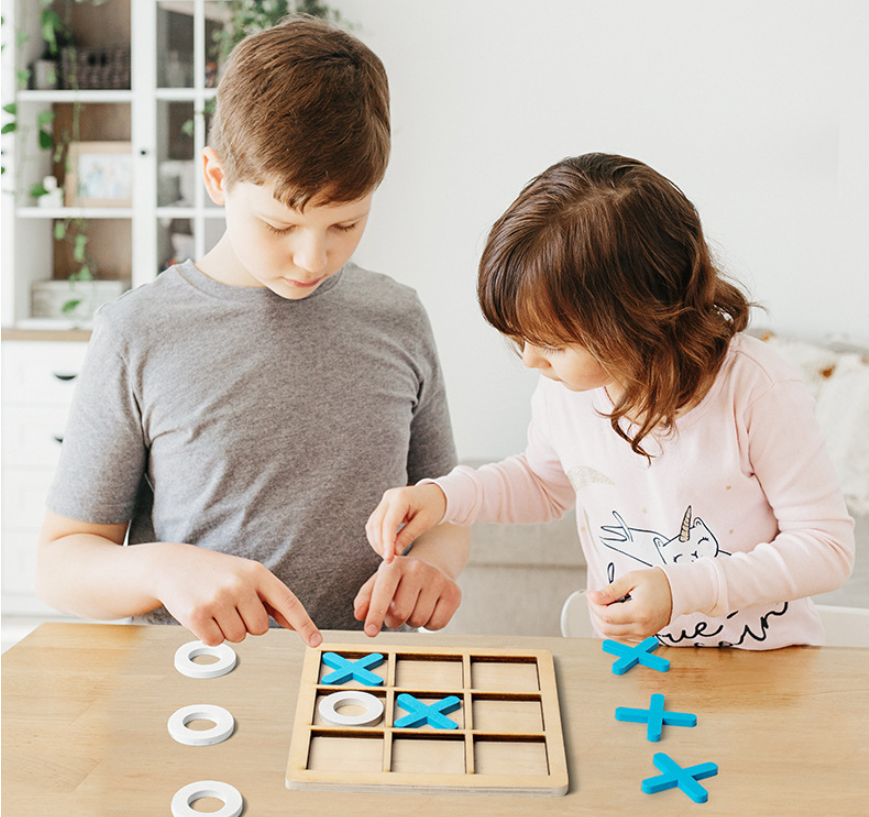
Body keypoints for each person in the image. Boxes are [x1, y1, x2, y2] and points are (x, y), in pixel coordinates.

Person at [35, 16, 469, 648]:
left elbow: (446, 508)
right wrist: (162, 567)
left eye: (345, 226)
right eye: (279, 225)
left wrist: (434, 564)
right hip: (195, 692)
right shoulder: (137, 332)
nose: (312, 260)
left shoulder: (397, 317)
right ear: (216, 178)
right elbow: (59, 564)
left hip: (360, 687)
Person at [367, 153, 855, 649]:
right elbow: (541, 482)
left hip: (766, 671)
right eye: (521, 340)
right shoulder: (565, 391)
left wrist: (680, 590)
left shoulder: (757, 389)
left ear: (634, 321)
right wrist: (444, 497)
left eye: (554, 345)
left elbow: (827, 547)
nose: (531, 361)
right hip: (635, 666)